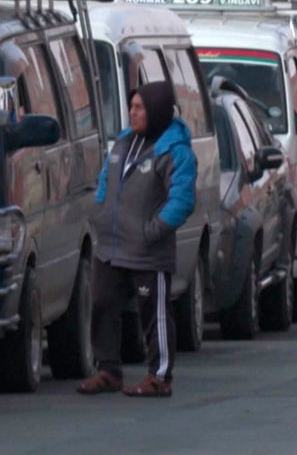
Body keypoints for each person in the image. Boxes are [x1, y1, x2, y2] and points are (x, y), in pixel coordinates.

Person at [77, 81, 196, 398]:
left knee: (153, 314)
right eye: (131, 106)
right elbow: (105, 182)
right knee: (101, 305)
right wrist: (100, 214)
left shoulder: (174, 150)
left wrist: (152, 230)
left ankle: (159, 376)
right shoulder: (123, 143)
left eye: (140, 107)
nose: (133, 112)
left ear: (156, 110)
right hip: (112, 247)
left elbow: (182, 198)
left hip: (147, 251)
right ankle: (108, 370)